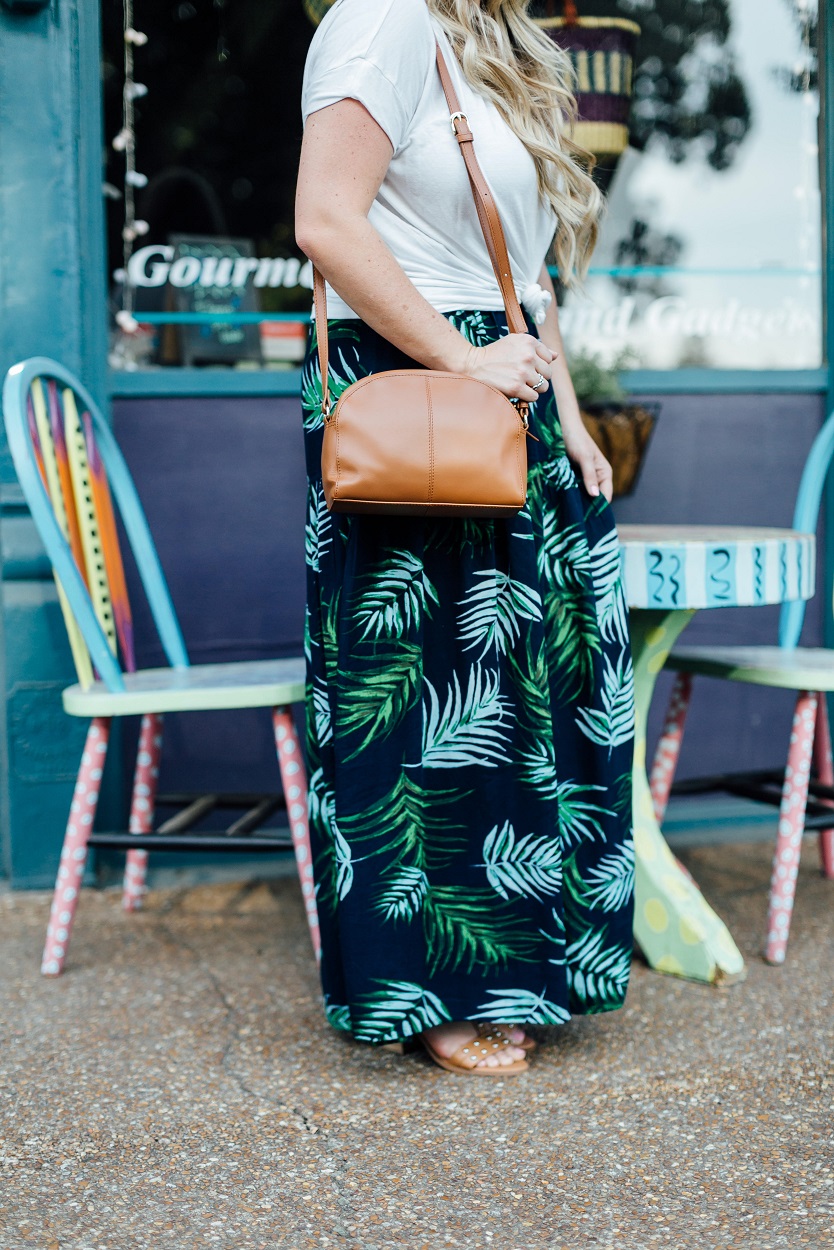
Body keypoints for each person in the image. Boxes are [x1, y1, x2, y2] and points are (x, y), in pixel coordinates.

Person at [295, 0, 635, 1075]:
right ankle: (433, 986)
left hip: (509, 391)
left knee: (537, 695)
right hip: (418, 380)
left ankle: (531, 964)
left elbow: (521, 278)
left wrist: (571, 417)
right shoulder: (381, 19)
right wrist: (460, 358)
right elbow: (326, 221)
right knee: (434, 704)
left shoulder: (492, 48)